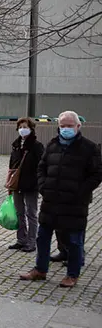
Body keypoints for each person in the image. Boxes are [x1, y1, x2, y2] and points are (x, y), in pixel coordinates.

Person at [20, 111, 102, 288]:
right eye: (62, 126)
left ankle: (72, 274)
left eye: (69, 125)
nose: (65, 129)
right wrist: (43, 187)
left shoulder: (89, 148)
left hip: (74, 204)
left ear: (78, 126)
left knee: (73, 241)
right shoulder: (53, 144)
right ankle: (40, 269)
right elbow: (41, 167)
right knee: (43, 238)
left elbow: (96, 174)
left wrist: (80, 192)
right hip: (51, 202)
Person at [7, 117, 44, 252]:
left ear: (31, 128)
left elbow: (42, 165)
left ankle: (32, 241)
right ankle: (21, 239)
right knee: (19, 212)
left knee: (31, 213)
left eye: (25, 127)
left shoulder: (36, 146)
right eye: (21, 127)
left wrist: (39, 182)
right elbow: (12, 165)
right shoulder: (16, 145)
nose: (23, 129)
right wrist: (9, 182)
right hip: (17, 184)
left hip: (31, 184)